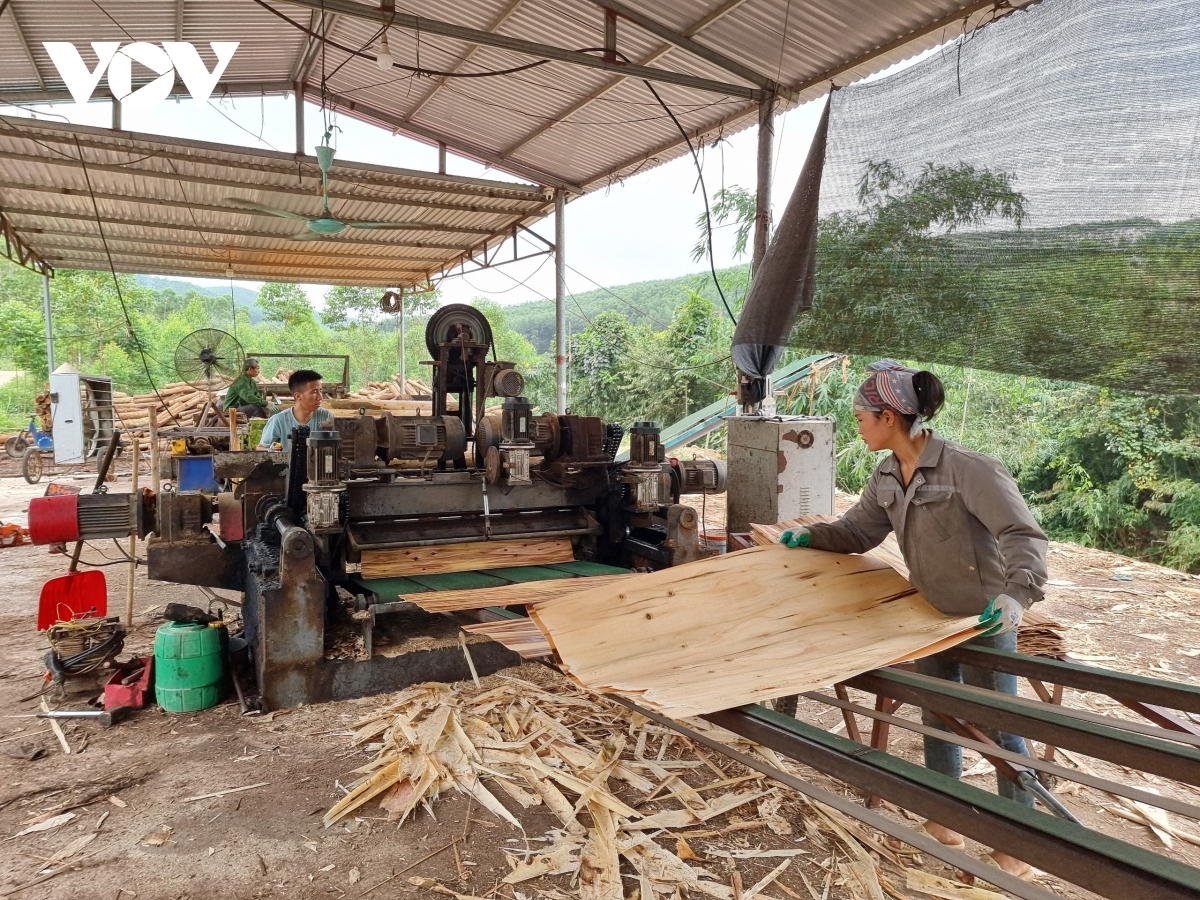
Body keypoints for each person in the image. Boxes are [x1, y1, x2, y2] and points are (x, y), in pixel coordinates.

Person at [779, 360, 1047, 881]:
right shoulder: (885, 475)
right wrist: (813, 536)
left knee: (1000, 726)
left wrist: (1016, 595)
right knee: (938, 713)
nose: (856, 423)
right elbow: (859, 532)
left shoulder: (970, 469)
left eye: (861, 416)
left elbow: (1022, 534)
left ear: (888, 417)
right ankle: (944, 816)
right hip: (931, 616)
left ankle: (1018, 839)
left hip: (985, 619)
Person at [257, 369, 336, 452]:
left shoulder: (326, 417)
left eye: (320, 391)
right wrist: (272, 451)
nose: (320, 397)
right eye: (314, 392)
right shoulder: (278, 421)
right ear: (298, 396)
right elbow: (260, 448)